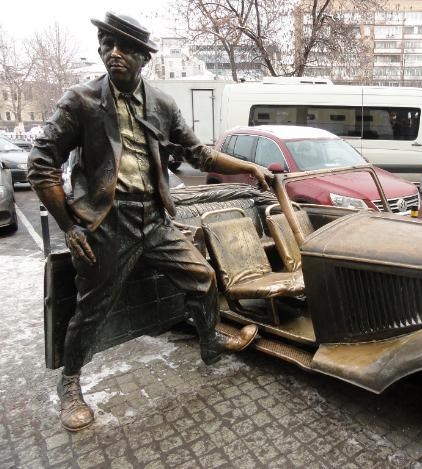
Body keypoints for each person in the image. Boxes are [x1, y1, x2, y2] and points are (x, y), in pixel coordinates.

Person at [28, 12, 270, 432]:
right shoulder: (80, 101)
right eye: (107, 44)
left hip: (154, 217)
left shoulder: (161, 104)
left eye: (124, 47)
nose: (113, 53)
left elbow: (201, 156)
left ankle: (210, 340)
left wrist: (250, 168)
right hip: (105, 222)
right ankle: (70, 385)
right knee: (92, 309)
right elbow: (40, 165)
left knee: (203, 277)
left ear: (143, 57)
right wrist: (70, 225)